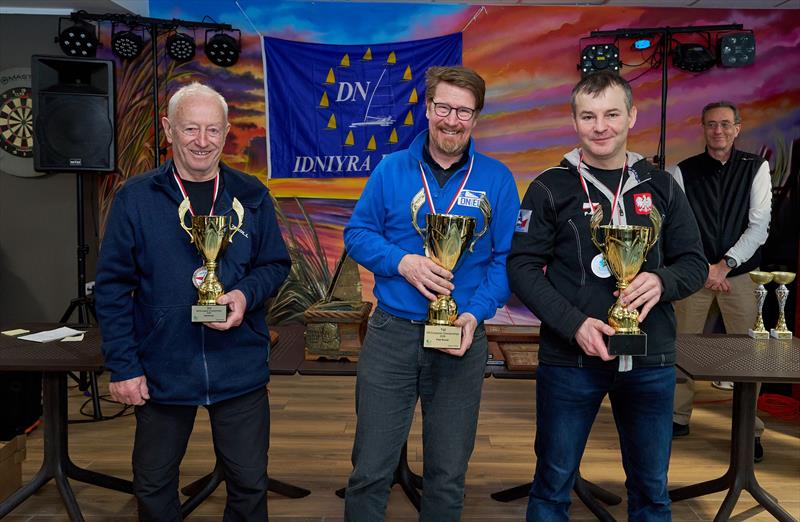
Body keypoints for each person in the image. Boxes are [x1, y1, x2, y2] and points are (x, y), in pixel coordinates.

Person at [507, 71, 708, 521]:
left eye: (612, 114)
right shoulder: (548, 187)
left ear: (632, 117)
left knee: (652, 491)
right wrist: (574, 324)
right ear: (575, 122)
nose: (601, 126)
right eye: (589, 116)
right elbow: (521, 267)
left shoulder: (661, 186)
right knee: (552, 487)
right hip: (570, 360)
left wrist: (661, 282)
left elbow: (694, 262)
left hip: (650, 359)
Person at [95, 82, 291, 521]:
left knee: (248, 482)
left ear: (225, 134)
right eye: (190, 129)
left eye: (212, 130)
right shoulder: (136, 198)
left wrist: (243, 294)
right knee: (153, 482)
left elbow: (275, 265)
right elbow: (111, 287)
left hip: (238, 365)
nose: (202, 142)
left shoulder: (251, 194)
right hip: (163, 366)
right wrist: (124, 365)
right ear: (168, 129)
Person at [343, 66, 519, 521]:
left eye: (464, 111)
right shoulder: (390, 169)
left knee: (447, 474)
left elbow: (506, 261)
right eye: (443, 107)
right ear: (427, 108)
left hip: (461, 338)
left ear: (476, 117)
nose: (452, 119)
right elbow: (357, 234)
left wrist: (474, 314)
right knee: (369, 468)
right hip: (392, 334)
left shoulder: (497, 179)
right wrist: (401, 261)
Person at [671, 101, 771, 461]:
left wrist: (726, 264)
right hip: (694, 274)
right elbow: (678, 227)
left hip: (739, 275)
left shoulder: (756, 168)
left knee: (750, 355)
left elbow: (759, 225)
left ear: (738, 128)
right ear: (703, 127)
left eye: (726, 124)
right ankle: (677, 417)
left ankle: (750, 428)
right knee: (681, 346)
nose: (719, 131)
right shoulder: (682, 172)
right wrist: (704, 267)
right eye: (712, 124)